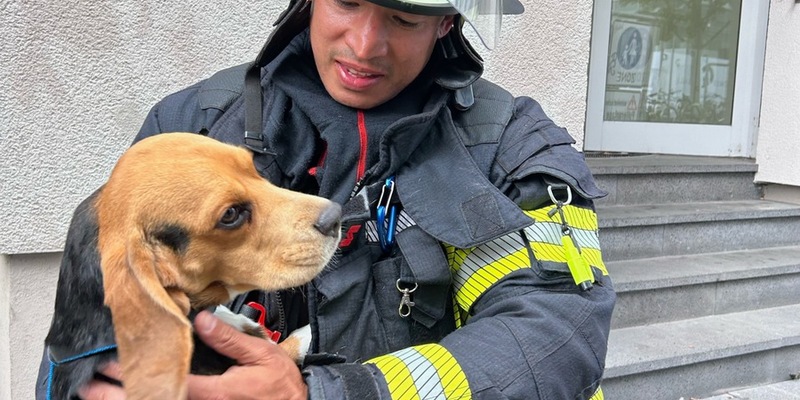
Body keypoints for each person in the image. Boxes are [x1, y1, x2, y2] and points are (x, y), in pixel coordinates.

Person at [38, 0, 616, 398]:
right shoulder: (194, 123)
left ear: (445, 22)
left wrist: (327, 393)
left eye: (402, 17)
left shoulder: (512, 147)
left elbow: (554, 335)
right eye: (346, 2)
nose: (364, 45)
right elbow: (94, 324)